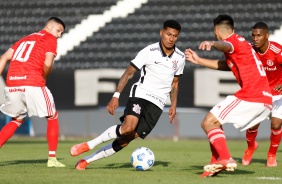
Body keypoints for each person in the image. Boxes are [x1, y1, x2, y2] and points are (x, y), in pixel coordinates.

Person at [70, 20, 185, 170]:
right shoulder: (149, 51)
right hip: (141, 95)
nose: (171, 38)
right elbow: (129, 72)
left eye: (175, 36)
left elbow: (175, 83)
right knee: (127, 128)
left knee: (125, 140)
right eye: (168, 34)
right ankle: (88, 145)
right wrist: (116, 95)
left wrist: (173, 105)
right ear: (161, 33)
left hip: (158, 104)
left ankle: (86, 161)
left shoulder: (180, 57)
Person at [185, 14, 272, 177]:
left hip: (252, 95)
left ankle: (225, 158)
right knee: (215, 122)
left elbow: (226, 45)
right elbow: (227, 65)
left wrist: (213, 43)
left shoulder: (232, 41)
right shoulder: (242, 45)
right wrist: (199, 60)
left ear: (217, 30)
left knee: (207, 122)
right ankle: (215, 164)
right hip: (265, 99)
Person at [0, 17, 66, 167]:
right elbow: (48, 62)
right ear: (49, 27)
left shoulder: (24, 39)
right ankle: (52, 159)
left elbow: (4, 57)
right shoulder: (50, 39)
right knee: (52, 116)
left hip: (12, 83)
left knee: (17, 119)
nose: (59, 35)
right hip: (33, 81)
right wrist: (43, 77)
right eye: (58, 30)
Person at [242, 22, 282, 167]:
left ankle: (271, 154)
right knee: (252, 124)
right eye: (253, 35)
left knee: (276, 124)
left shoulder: (277, 51)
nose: (255, 38)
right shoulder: (250, 50)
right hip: (259, 92)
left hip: (278, 93)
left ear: (267, 36)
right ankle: (251, 147)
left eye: (259, 35)